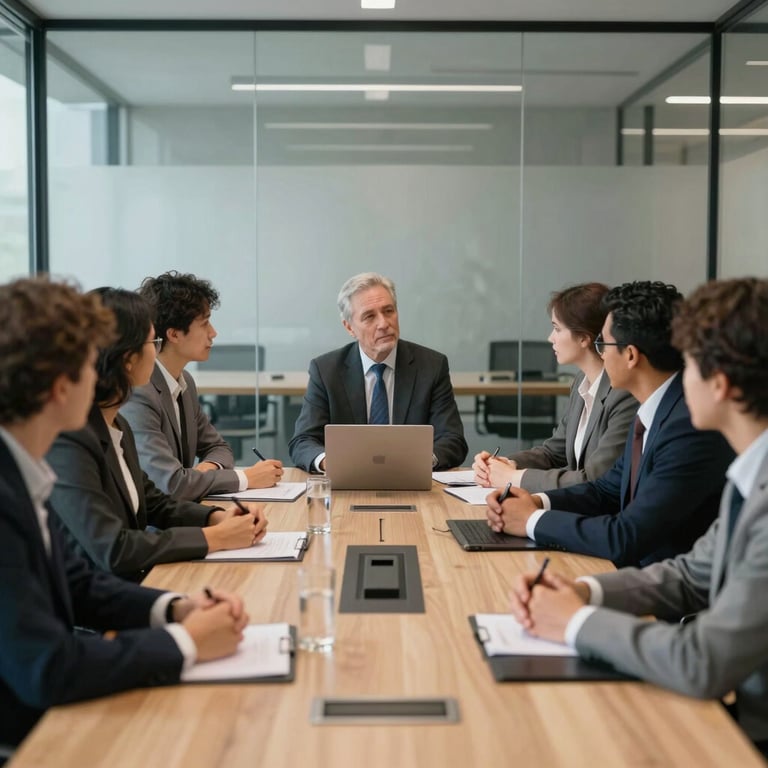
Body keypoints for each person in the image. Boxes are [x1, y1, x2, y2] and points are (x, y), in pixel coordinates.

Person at [508, 277, 768, 753]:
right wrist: (583, 590)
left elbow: (702, 661)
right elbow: (692, 573)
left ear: (720, 384)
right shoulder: (749, 473)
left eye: (686, 362)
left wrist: (574, 621)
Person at [0, 277, 249, 749]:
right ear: (59, 387)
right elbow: (47, 668)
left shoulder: (22, 471)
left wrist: (176, 609)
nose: (100, 373)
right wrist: (186, 642)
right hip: (36, 739)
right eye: (88, 364)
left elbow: (77, 581)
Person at [486, 280, 733, 567]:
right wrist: (536, 502)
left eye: (603, 343)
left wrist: (531, 520)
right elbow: (605, 490)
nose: (599, 353)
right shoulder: (654, 409)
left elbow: (625, 536)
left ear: (630, 355)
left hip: (662, 589)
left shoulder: (688, 427)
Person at [47, 288, 268, 583]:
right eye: (153, 341)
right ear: (127, 359)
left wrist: (216, 516)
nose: (157, 350)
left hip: (132, 586)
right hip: (107, 602)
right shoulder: (70, 441)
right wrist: (213, 537)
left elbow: (154, 503)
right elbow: (114, 549)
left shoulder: (116, 425)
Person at [120, 271, 282, 502]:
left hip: (185, 511)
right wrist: (245, 478)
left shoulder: (184, 381)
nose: (213, 333)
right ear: (174, 334)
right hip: (157, 529)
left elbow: (219, 446)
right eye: (205, 323)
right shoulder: (139, 393)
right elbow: (172, 484)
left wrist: (206, 468)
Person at [288, 272, 468, 472]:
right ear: (349, 327)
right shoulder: (326, 370)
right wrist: (328, 461)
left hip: (413, 483)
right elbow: (303, 441)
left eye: (389, 311)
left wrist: (422, 461)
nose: (383, 323)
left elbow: (453, 439)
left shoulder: (431, 366)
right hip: (347, 484)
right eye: (369, 316)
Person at [473, 282, 638, 491]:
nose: (550, 338)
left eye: (557, 329)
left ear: (584, 338)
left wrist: (515, 477)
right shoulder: (581, 381)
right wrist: (506, 464)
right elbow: (554, 452)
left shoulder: (623, 394)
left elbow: (595, 479)